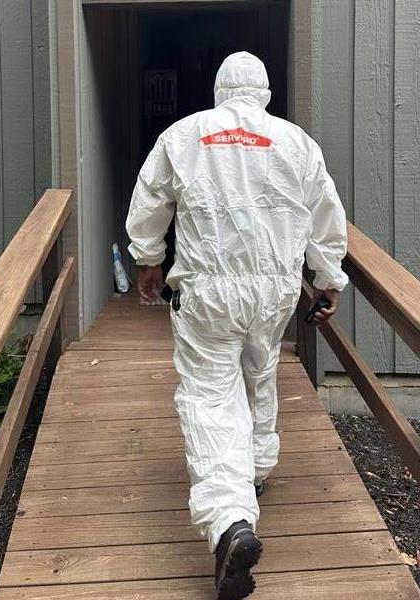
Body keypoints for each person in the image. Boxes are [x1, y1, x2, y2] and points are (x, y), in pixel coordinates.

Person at [126, 51, 348, 600]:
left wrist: (148, 258)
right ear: (265, 92)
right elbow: (324, 212)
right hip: (273, 290)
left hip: (209, 290)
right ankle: (257, 466)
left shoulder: (186, 134)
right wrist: (327, 279)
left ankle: (229, 520)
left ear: (220, 90)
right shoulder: (296, 142)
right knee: (259, 369)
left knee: (209, 395)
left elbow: (150, 197)